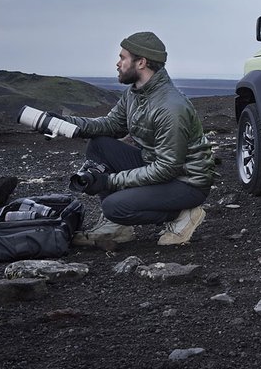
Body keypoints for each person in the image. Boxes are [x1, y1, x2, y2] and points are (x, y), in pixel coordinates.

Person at [61, 31, 216, 247]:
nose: (117, 63)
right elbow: (112, 125)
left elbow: (168, 168)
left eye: (123, 58)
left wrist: (110, 181)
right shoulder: (136, 93)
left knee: (115, 207)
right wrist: (64, 124)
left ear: (141, 62)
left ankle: (182, 214)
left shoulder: (170, 107)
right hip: (157, 166)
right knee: (99, 144)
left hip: (186, 182)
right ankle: (117, 228)